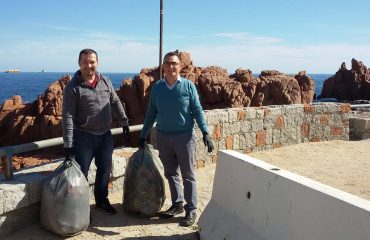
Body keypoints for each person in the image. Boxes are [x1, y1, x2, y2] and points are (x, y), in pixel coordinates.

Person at [139, 51, 214, 227]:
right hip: (163, 137)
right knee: (171, 174)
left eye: (174, 63)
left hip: (185, 137)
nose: (171, 66)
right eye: (167, 63)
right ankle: (177, 204)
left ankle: (191, 210)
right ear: (163, 67)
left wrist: (205, 132)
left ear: (180, 66)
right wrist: (143, 135)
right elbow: (151, 113)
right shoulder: (157, 88)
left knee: (188, 175)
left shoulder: (188, 86)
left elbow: (197, 110)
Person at [62, 48, 129, 215]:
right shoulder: (72, 87)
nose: (89, 65)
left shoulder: (105, 81)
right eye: (85, 62)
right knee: (82, 174)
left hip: (105, 135)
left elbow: (115, 101)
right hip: (83, 136)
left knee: (105, 169)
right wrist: (68, 144)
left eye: (92, 62)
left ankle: (101, 200)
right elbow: (68, 117)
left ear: (97, 63)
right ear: (79, 63)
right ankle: (81, 207)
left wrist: (124, 121)